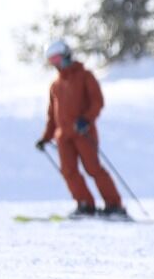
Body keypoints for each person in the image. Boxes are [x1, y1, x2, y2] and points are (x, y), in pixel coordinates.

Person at [35, 39, 128, 218]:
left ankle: (114, 205)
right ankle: (85, 204)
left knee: (93, 168)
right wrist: (45, 137)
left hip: (83, 132)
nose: (56, 64)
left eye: (57, 59)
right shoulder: (55, 85)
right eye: (51, 61)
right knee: (68, 171)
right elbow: (52, 116)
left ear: (66, 55)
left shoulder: (85, 76)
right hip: (63, 136)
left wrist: (86, 119)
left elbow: (97, 102)